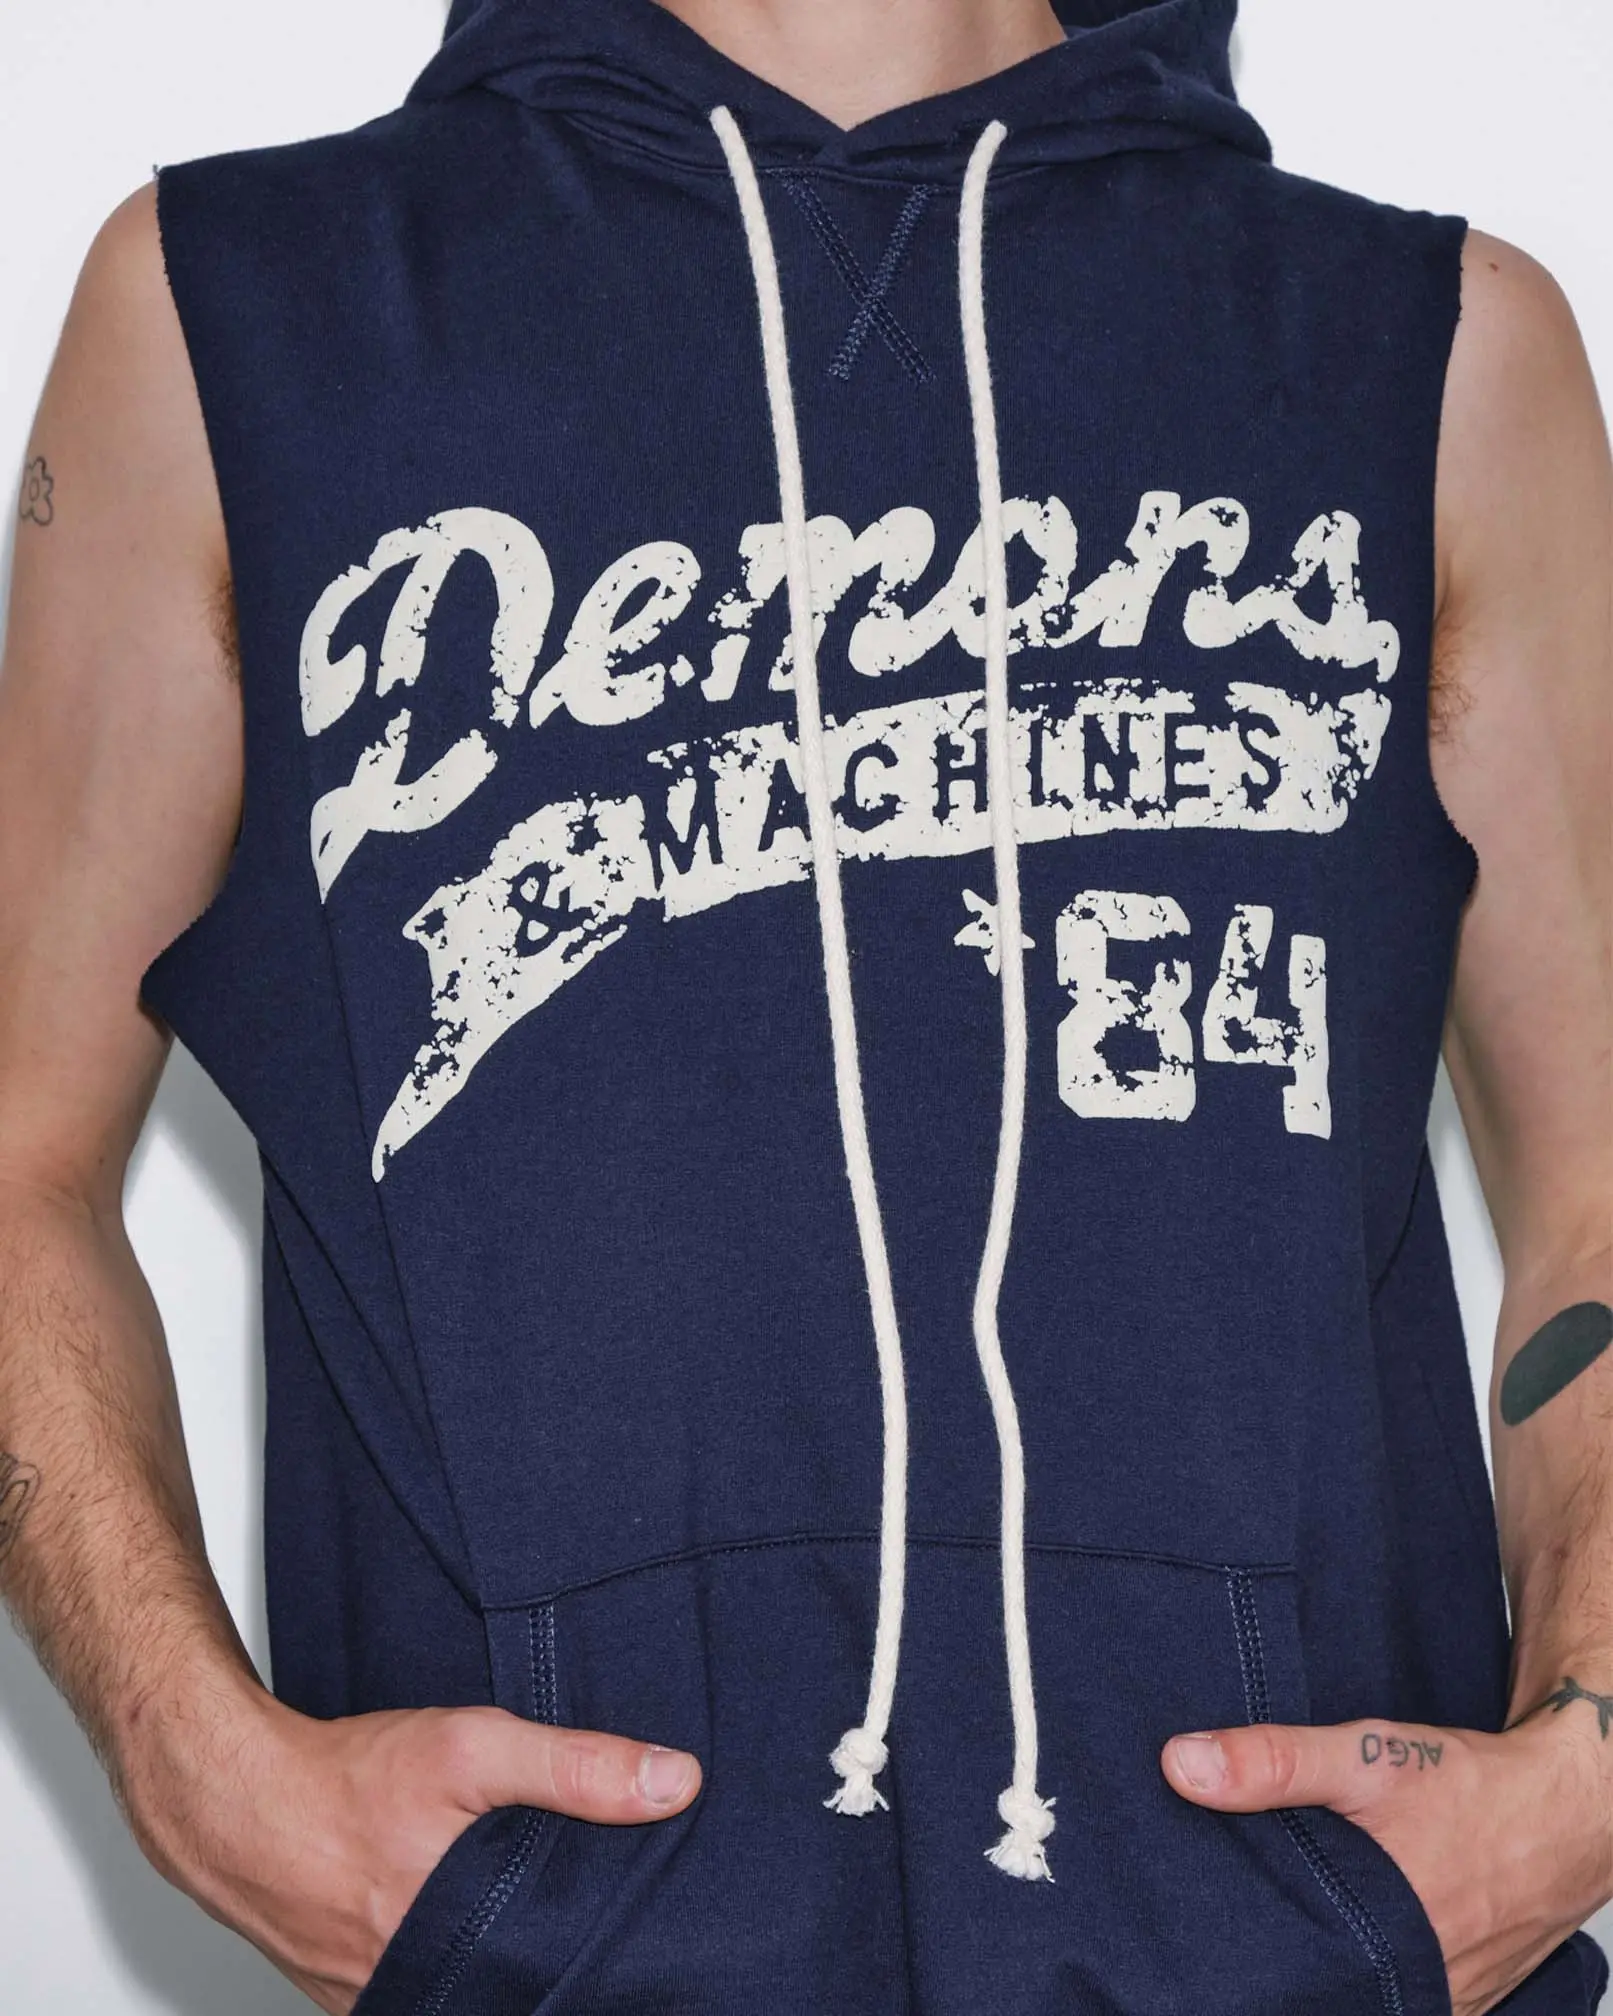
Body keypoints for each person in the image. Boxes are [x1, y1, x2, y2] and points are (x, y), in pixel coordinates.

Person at [0, 0, 1609, 2009]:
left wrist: (1585, 1766)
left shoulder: (1430, 349)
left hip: (1313, 1969)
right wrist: (188, 1759)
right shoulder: (233, 316)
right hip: (559, 1969)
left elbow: (1592, 1199)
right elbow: (20, 1156)